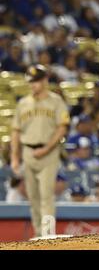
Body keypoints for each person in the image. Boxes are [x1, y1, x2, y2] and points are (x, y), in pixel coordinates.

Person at [10, 65, 70, 237]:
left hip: (49, 153)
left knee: (46, 196)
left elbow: (62, 129)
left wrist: (46, 148)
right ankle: (38, 235)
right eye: (31, 82)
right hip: (28, 152)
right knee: (33, 197)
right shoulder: (23, 103)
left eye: (36, 81)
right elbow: (15, 131)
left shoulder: (56, 101)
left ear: (45, 81)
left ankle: (47, 235)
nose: (33, 85)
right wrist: (15, 157)